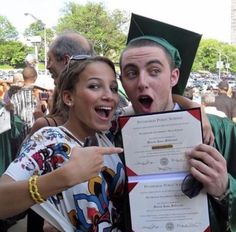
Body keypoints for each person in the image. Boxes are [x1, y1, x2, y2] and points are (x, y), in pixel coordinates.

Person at [115, 13, 235, 232]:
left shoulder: (221, 132)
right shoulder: (113, 140)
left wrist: (225, 189)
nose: (142, 83)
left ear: (174, 76)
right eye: (131, 73)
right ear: (122, 81)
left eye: (154, 71)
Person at [0, 55, 125, 231]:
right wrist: (64, 177)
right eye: (94, 86)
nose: (109, 96)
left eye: (113, 88)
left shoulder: (108, 134)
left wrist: (178, 101)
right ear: (68, 97)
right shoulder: (49, 139)